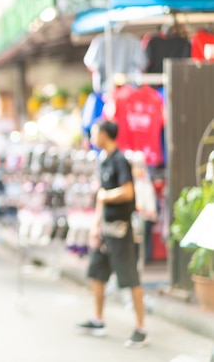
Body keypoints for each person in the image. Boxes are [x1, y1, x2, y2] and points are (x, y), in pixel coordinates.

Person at [76, 120, 148, 349]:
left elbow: (127, 192)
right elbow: (100, 198)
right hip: (105, 231)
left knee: (130, 278)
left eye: (96, 132)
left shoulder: (119, 160)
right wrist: (96, 226)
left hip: (121, 231)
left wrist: (106, 196)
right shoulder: (103, 160)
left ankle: (141, 328)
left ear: (105, 134)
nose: (93, 136)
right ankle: (98, 320)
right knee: (97, 273)